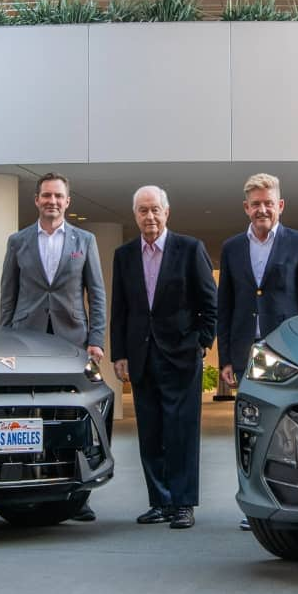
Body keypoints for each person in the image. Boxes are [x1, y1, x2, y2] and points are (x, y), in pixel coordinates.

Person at [217, 173, 298, 528]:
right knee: (250, 430)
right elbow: (226, 306)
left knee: (292, 429)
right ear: (246, 208)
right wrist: (226, 360)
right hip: (247, 355)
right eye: (255, 204)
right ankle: (255, 505)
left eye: (268, 203)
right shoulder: (232, 247)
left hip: (289, 356)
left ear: (280, 205)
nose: (262, 209)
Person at [0, 172, 106, 522]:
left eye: (58, 196)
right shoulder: (18, 241)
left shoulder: (84, 239)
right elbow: (8, 296)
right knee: (27, 415)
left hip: (71, 340)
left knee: (73, 416)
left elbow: (97, 295)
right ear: (36, 200)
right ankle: (30, 488)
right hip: (26, 340)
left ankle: (78, 496)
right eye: (46, 195)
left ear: (68, 201)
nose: (52, 201)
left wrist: (96, 341)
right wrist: (3, 343)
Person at [110, 185, 217, 530]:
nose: (150, 216)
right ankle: (160, 501)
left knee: (182, 431)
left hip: (181, 355)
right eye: (143, 210)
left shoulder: (189, 249)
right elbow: (121, 310)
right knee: (151, 432)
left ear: (166, 213)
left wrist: (201, 342)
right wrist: (119, 353)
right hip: (141, 356)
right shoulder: (124, 255)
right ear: (135, 216)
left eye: (155, 209)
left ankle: (183, 503)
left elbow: (209, 303)